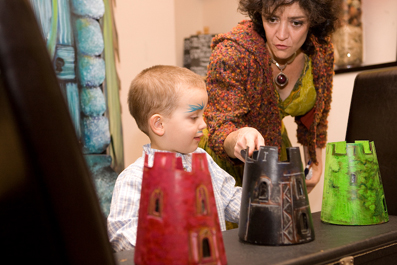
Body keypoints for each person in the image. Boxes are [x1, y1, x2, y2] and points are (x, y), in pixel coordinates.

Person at [200, 0, 341, 192]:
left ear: (314, 21)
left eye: (296, 23)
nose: (281, 35)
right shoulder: (232, 54)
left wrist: (314, 162)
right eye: (272, 19)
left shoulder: (320, 52)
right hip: (223, 165)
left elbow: (316, 117)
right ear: (260, 15)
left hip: (273, 147)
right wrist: (240, 136)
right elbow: (222, 125)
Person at [107, 65, 241, 252]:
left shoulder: (202, 160)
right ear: (159, 124)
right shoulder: (135, 178)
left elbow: (231, 199)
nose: (203, 124)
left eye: (203, 116)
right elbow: (121, 232)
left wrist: (266, 204)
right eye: (193, 117)